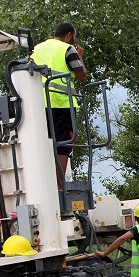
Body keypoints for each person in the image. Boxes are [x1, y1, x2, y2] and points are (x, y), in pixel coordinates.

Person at [31, 21, 86, 191]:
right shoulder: (67, 49)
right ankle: (60, 187)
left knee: (44, 144)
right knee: (63, 145)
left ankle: (45, 185)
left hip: (39, 105)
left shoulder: (36, 49)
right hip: (61, 103)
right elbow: (81, 75)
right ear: (69, 35)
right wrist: (80, 56)